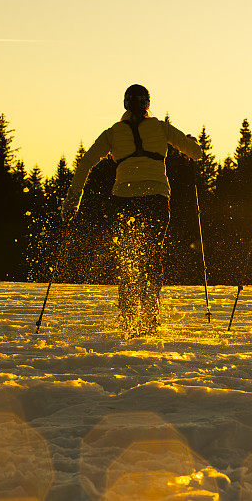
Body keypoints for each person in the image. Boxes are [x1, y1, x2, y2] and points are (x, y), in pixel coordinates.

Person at [62, 84, 202, 336]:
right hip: (156, 198)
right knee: (152, 254)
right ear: (148, 104)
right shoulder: (161, 127)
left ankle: (128, 315)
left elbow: (85, 163)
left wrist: (73, 201)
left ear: (125, 105)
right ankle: (150, 314)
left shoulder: (113, 132)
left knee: (127, 253)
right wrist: (191, 143)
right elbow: (196, 153)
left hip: (123, 199)